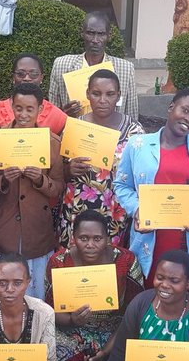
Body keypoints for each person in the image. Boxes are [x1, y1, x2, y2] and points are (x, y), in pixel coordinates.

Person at [115, 88, 189, 303]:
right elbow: (122, 184)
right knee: (150, 306)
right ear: (171, 107)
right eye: (185, 110)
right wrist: (137, 209)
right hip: (151, 240)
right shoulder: (138, 145)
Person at [45, 211, 145, 361]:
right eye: (83, 238)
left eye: (97, 238)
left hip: (115, 330)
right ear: (73, 238)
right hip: (71, 329)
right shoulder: (59, 262)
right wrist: (72, 320)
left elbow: (134, 315)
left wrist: (106, 351)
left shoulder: (125, 261)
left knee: (130, 357)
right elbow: (50, 311)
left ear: (108, 239)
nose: (90, 245)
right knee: (52, 353)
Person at [0, 83, 64, 298]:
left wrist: (41, 180)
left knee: (35, 290)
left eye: (30, 109)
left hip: (36, 228)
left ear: (41, 109)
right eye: (19, 108)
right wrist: (2, 181)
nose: (24, 114)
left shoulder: (52, 143)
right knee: (2, 286)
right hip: (3, 228)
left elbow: (58, 188)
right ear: (11, 106)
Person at [58, 68, 145, 247]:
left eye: (110, 94)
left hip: (115, 211)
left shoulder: (134, 131)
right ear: (88, 94)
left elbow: (142, 174)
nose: (103, 100)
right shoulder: (74, 127)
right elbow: (56, 172)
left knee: (110, 264)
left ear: (119, 96)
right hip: (77, 209)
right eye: (96, 94)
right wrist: (68, 170)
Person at [48, 11, 138, 121]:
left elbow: (132, 116)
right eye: (90, 33)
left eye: (101, 34)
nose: (95, 40)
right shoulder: (62, 65)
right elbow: (52, 114)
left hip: (112, 135)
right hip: (74, 133)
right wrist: (64, 113)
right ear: (82, 33)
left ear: (109, 36)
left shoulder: (125, 69)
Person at [0, 53, 68, 134]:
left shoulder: (56, 115)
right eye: (21, 74)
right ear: (13, 77)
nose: (27, 78)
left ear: (41, 77)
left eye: (33, 74)